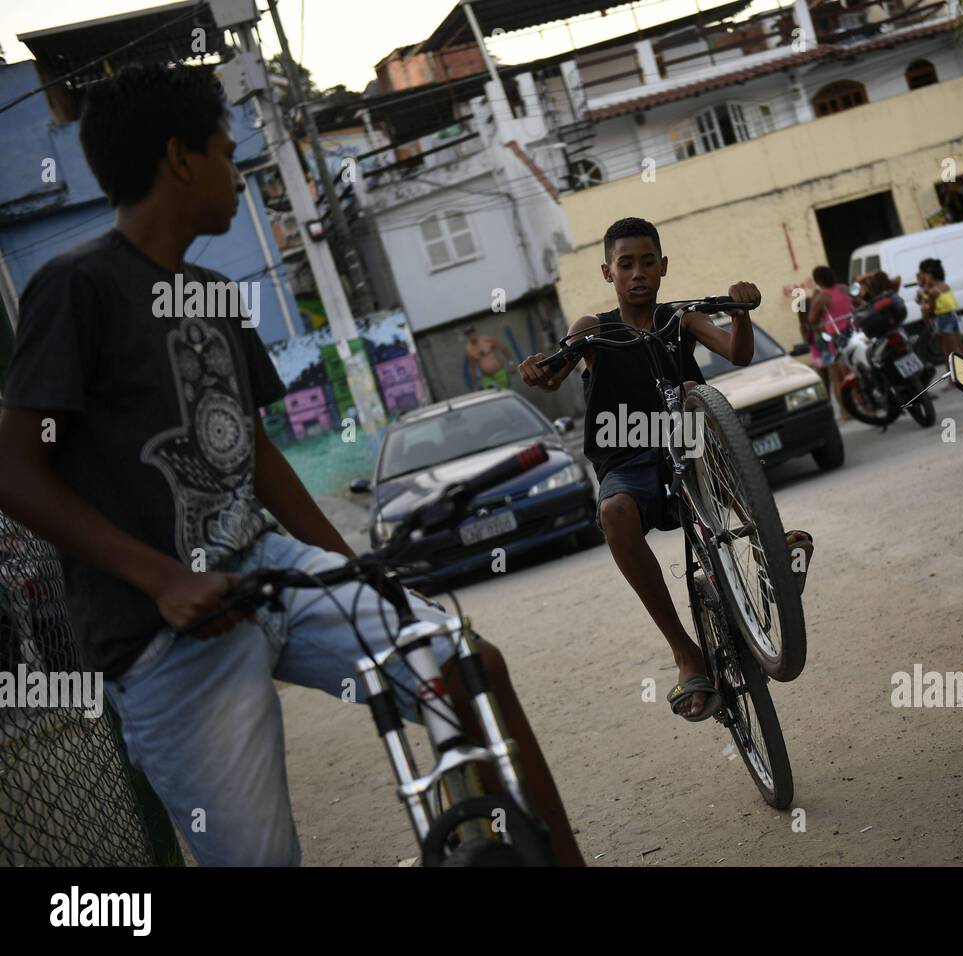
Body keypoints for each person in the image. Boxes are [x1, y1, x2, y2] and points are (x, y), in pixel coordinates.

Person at [0, 65, 581, 866]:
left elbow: (260, 455)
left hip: (269, 568)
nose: (237, 175)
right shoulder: (75, 289)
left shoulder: (210, 291)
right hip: (164, 637)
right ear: (179, 160)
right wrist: (164, 580)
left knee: (468, 663)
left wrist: (359, 575)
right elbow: (17, 471)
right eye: (224, 153)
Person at [518, 217, 815, 721]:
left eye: (647, 262)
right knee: (613, 512)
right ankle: (685, 653)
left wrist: (740, 312)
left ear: (664, 267)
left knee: (713, 445)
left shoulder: (681, 318)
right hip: (627, 458)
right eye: (625, 264)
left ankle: (771, 546)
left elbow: (737, 353)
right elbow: (554, 376)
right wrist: (538, 370)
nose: (638, 273)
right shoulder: (592, 329)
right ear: (607, 272)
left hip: (690, 445)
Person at [804, 266, 857, 422]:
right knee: (856, 371)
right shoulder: (844, 288)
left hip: (837, 340)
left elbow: (812, 320)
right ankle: (865, 405)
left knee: (838, 378)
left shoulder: (821, 298)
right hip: (854, 332)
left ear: (817, 281)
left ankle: (845, 411)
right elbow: (857, 302)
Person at [917, 257, 963, 370]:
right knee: (959, 346)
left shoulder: (933, 291)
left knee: (948, 351)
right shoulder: (944, 286)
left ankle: (956, 375)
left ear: (930, 275)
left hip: (942, 319)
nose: (923, 278)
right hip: (952, 316)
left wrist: (925, 311)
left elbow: (930, 310)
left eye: (924, 275)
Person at [464, 324, 515, 390]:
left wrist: (511, 363)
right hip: (487, 378)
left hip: (499, 373)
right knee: (492, 395)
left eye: (472, 332)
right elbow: (472, 367)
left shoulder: (486, 339)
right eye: (469, 334)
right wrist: (474, 382)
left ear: (475, 332)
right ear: (467, 336)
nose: (472, 335)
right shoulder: (469, 349)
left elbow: (503, 348)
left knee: (505, 393)